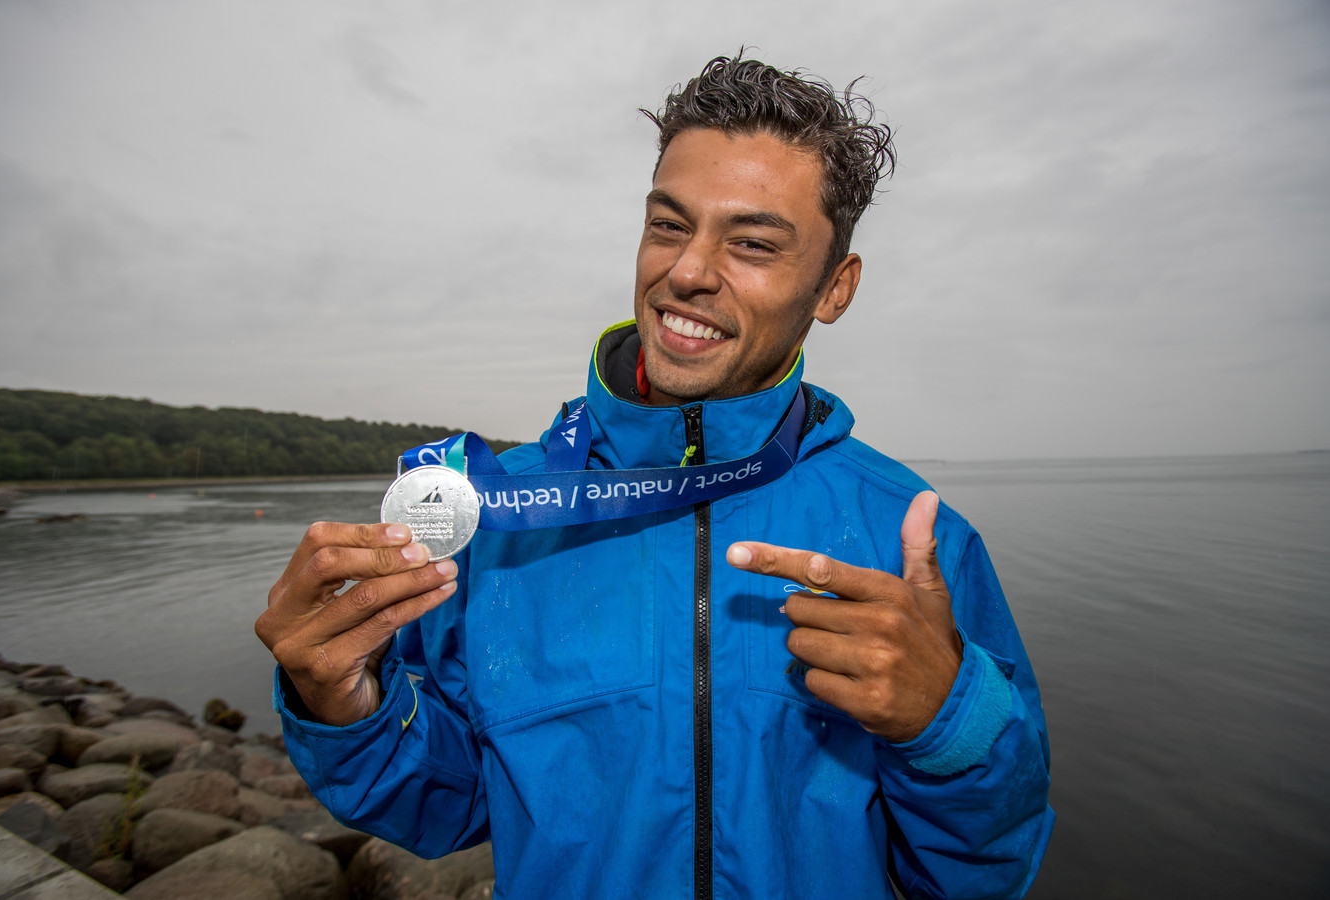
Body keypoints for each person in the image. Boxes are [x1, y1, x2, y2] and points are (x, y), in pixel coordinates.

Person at [256, 53, 1053, 899]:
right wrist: (339, 697)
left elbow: (981, 873)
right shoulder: (506, 515)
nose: (687, 272)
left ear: (834, 288)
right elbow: (448, 806)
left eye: (751, 243)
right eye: (669, 226)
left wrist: (947, 724)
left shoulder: (915, 542)